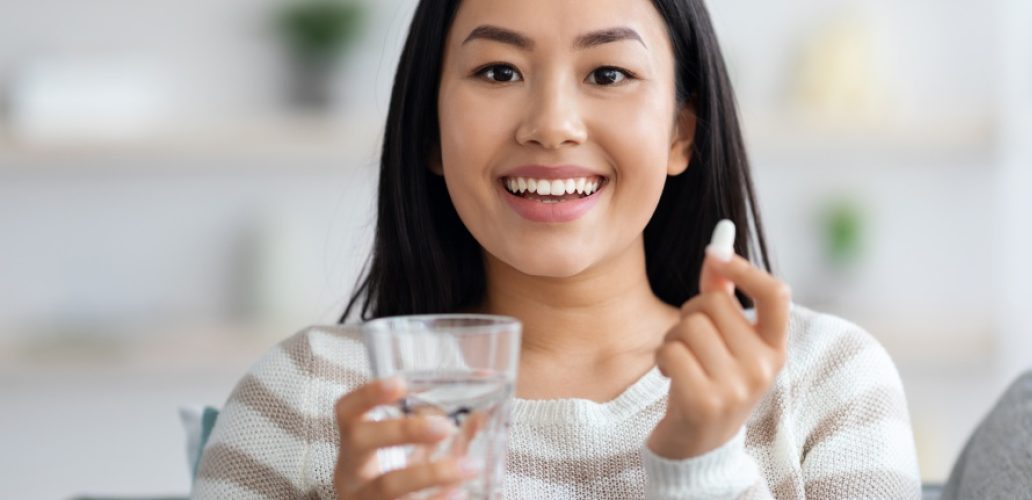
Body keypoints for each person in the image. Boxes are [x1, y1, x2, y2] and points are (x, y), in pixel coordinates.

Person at [191, 0, 921, 498]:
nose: (552, 124)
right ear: (430, 134)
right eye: (497, 72)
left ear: (681, 133)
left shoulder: (825, 386)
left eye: (608, 74)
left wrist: (700, 465)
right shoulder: (305, 394)